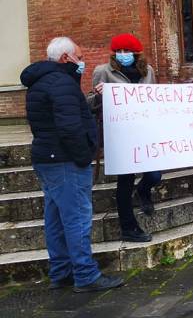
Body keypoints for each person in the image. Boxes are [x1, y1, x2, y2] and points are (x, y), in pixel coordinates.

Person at [20, 37, 124, 293]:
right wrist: (83, 155)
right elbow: (69, 126)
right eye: (79, 56)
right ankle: (86, 274)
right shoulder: (61, 83)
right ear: (66, 58)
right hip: (65, 159)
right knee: (77, 218)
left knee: (55, 217)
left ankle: (61, 271)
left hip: (47, 157)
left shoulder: (41, 81)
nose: (82, 61)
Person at [88, 33, 162, 243]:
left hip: (144, 131)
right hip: (119, 135)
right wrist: (98, 94)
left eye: (127, 51)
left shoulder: (148, 71)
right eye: (119, 51)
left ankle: (144, 190)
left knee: (155, 175)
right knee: (125, 181)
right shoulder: (103, 71)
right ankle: (128, 227)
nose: (123, 55)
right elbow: (90, 105)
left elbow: (155, 99)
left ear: (136, 53)